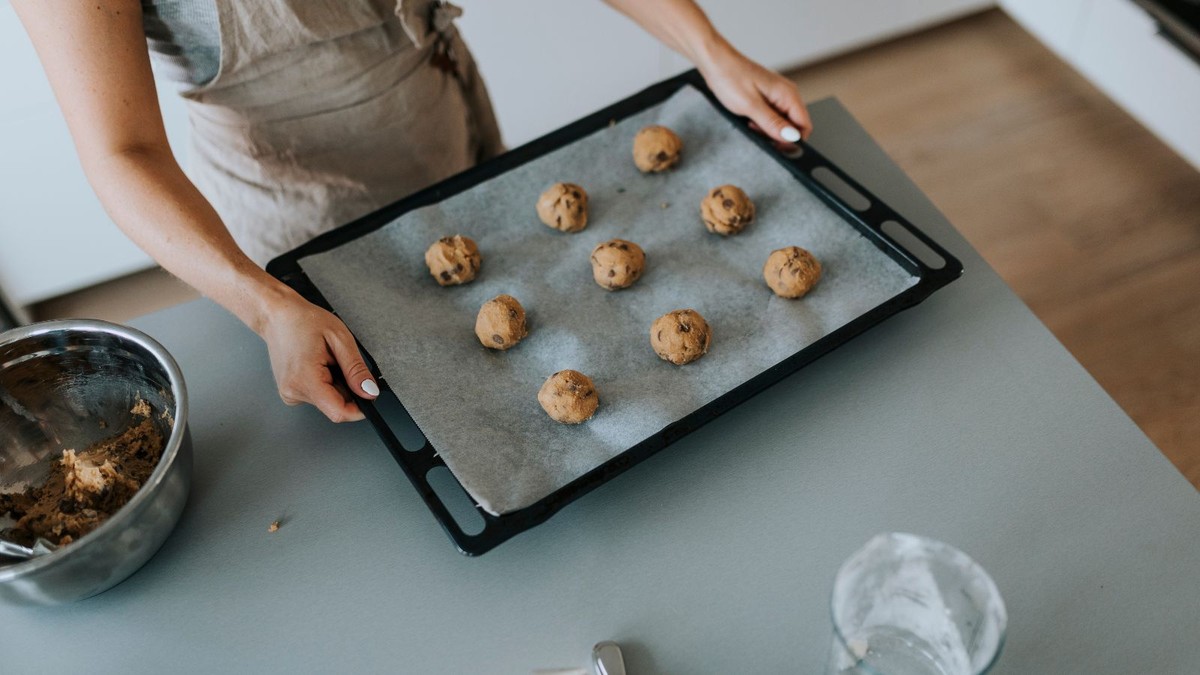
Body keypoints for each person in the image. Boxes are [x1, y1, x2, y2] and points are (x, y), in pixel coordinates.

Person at [13, 0, 811, 423]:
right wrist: (264, 307)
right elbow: (122, 154)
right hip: (305, 211)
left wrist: (710, 48)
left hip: (453, 129)